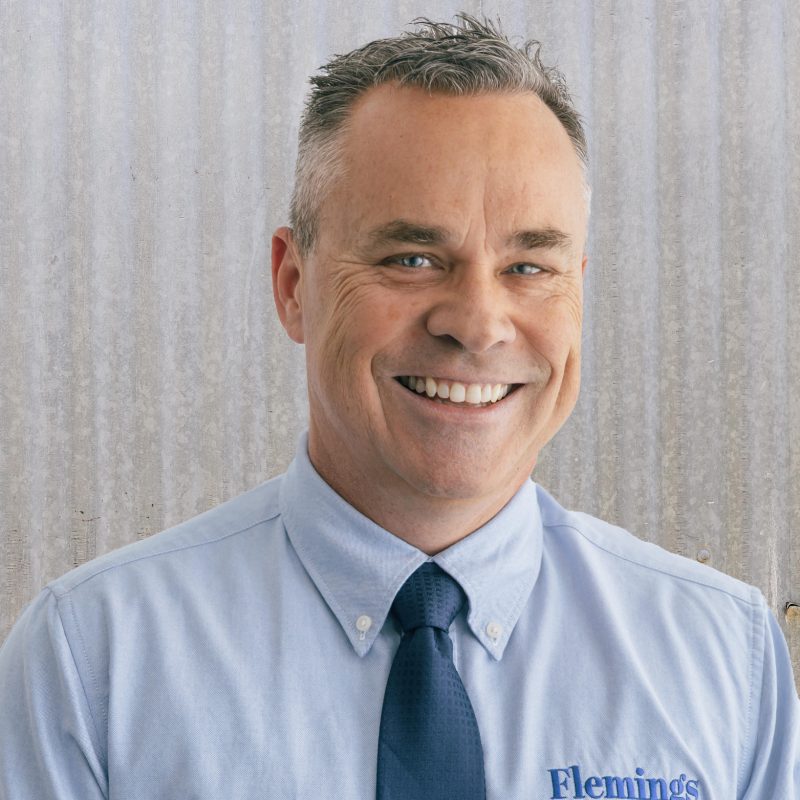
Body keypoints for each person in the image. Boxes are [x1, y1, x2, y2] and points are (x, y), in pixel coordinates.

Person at [0, 12, 797, 800]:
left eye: (528, 267)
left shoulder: (727, 658)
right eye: (412, 258)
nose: (477, 324)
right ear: (293, 285)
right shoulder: (92, 662)